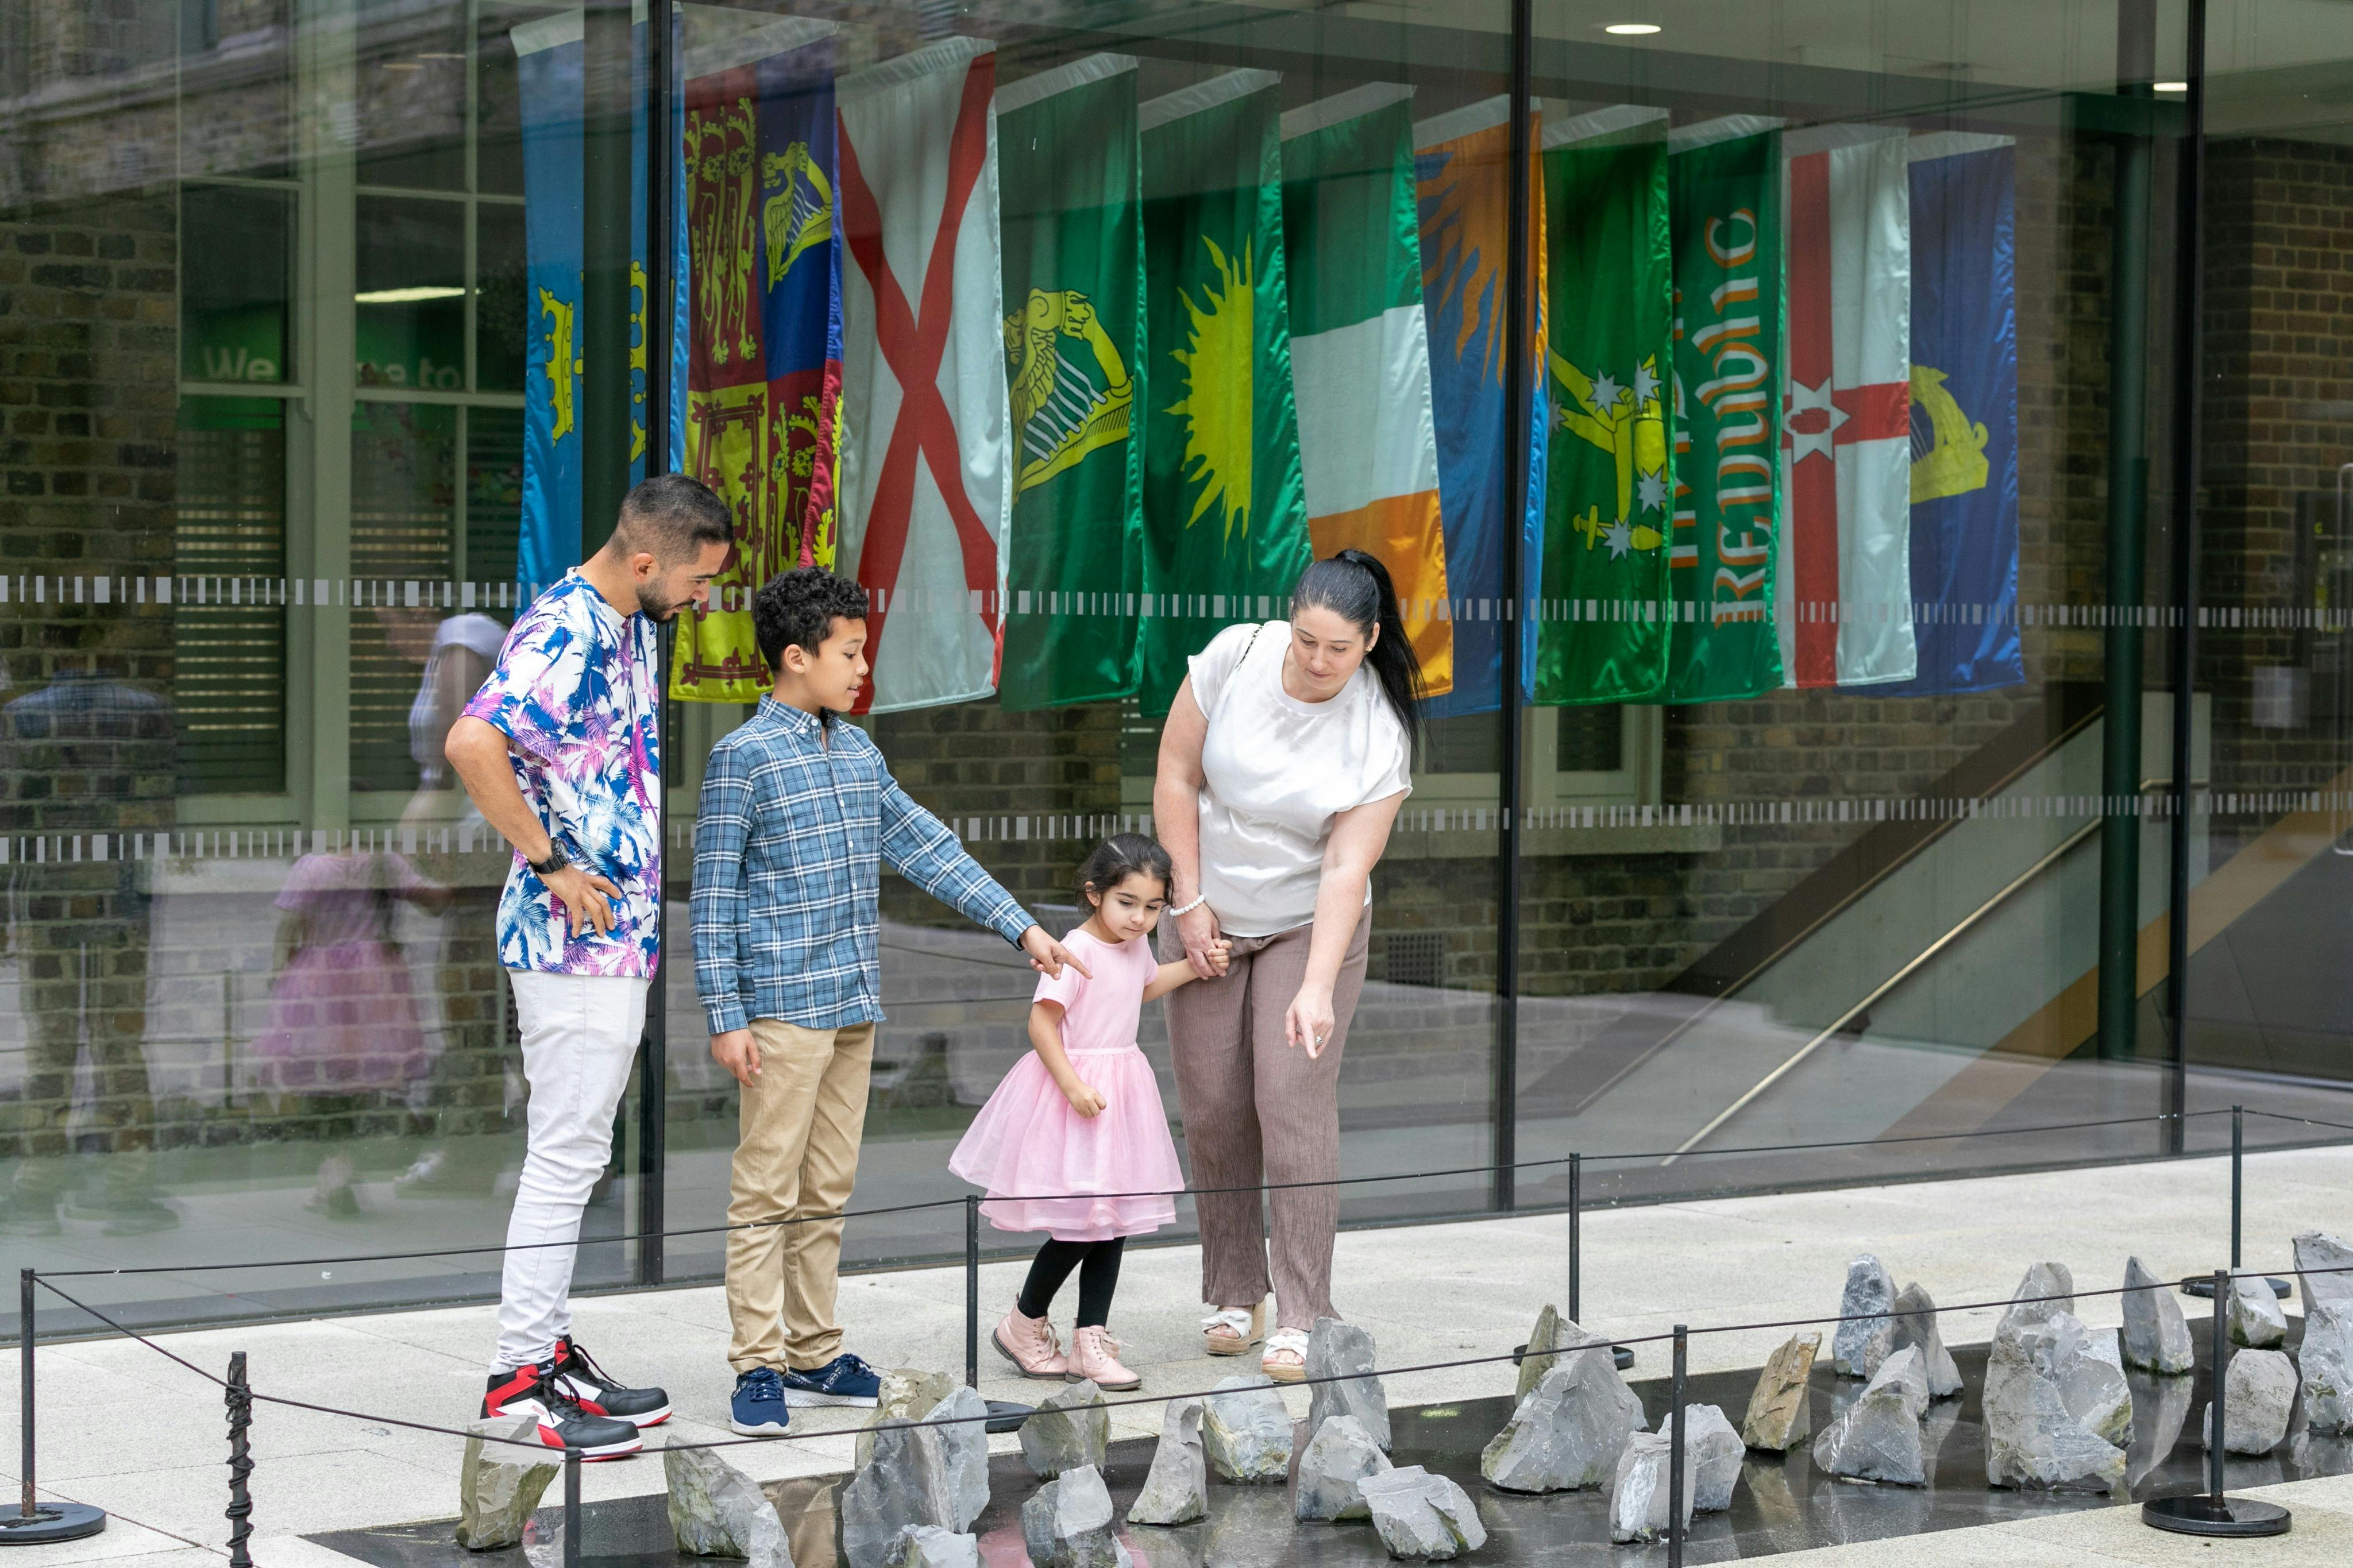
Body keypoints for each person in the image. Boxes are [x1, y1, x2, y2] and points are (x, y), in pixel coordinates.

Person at [692, 566, 1090, 1436]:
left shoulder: (859, 753)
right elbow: (712, 896)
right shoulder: (742, 759)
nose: (861, 667)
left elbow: (926, 846)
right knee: (766, 1190)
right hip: (779, 1010)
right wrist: (725, 1016)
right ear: (796, 658)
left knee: (827, 1188)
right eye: (849, 652)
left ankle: (814, 1352)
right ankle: (757, 1364)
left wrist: (1021, 927)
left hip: (851, 1002)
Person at [445, 472, 732, 1457]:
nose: (703, 598)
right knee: (566, 1153)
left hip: (609, 942)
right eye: (697, 580)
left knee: (579, 1153)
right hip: (571, 942)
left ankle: (549, 1351)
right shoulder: (566, 630)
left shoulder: (627, 621)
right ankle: (519, 1378)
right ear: (647, 560)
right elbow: (472, 741)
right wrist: (551, 864)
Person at [1152, 549, 1421, 1382]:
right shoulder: (1234, 656)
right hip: (1207, 907)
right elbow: (1175, 774)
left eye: (1337, 648)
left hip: (1310, 924)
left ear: (1370, 640)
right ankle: (1236, 1290)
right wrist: (1189, 901)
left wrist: (1316, 987)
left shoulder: (1379, 731)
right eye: (1306, 640)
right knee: (1213, 1105)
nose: (1316, 660)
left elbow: (1345, 868)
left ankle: (1306, 1311)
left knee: (1290, 1101)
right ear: (1288, 621)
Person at [950, 835, 1225, 1390]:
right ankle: (1024, 1323)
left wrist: (1196, 967)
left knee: (1113, 1223)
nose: (1140, 918)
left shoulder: (1134, 946)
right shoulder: (1074, 949)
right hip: (1075, 1095)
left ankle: (1088, 1340)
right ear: (1094, 893)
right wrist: (1073, 1085)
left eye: (1153, 907)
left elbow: (1144, 986)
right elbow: (1042, 1023)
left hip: (1120, 1092)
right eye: (1127, 903)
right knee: (1081, 1227)